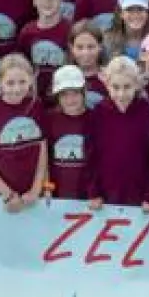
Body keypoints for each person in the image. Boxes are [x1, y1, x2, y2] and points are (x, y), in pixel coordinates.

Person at [0, 54, 46, 208]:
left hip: (32, 194)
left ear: (31, 80)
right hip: (0, 195)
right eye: (10, 83)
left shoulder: (36, 106)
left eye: (22, 82)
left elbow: (42, 148)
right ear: (0, 83)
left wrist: (37, 188)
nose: (17, 88)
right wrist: (7, 193)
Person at [89, 56, 149, 207]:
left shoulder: (148, 111)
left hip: (140, 192)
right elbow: (92, 154)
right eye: (115, 87)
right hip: (106, 191)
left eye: (127, 87)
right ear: (106, 85)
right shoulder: (98, 112)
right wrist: (94, 192)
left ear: (136, 84)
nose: (121, 94)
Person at [43, 66, 97, 200]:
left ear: (84, 91)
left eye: (75, 93)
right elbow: (45, 159)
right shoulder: (50, 119)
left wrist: (96, 193)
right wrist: (47, 187)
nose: (70, 99)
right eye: (64, 94)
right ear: (57, 96)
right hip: (57, 193)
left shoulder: (95, 118)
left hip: (88, 196)